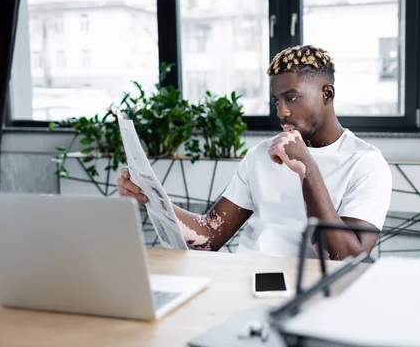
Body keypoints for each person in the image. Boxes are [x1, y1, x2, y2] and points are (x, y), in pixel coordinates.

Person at [117, 45, 392, 260]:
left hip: (309, 291)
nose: (282, 111)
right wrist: (152, 196)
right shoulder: (261, 155)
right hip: (247, 276)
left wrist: (306, 167)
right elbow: (209, 237)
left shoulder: (366, 164)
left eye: (292, 97)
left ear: (327, 95)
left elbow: (343, 259)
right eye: (276, 100)